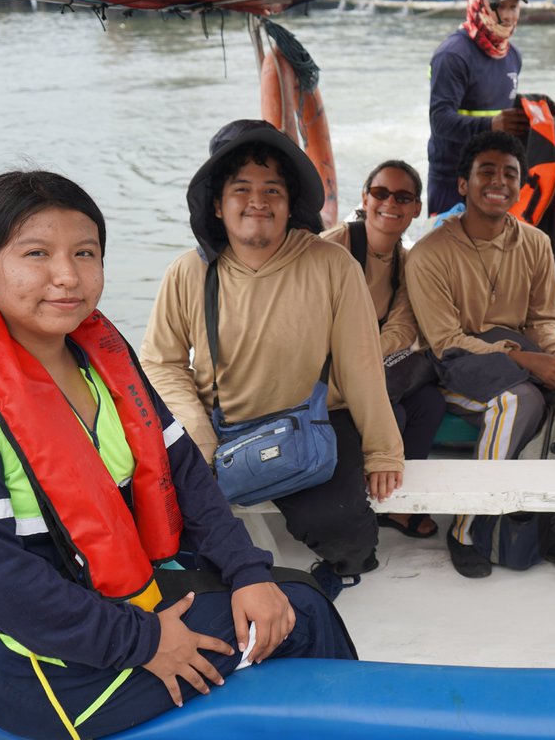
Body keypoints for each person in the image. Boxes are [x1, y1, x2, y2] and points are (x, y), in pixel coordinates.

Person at [0, 171, 355, 740]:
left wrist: (247, 573)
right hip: (45, 667)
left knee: (284, 596)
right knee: (305, 613)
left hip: (128, 600)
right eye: (36, 253)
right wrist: (145, 642)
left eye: (85, 253)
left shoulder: (99, 360)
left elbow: (186, 478)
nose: (67, 277)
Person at [141, 119, 404, 593]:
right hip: (218, 432)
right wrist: (197, 433)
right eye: (240, 188)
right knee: (162, 526)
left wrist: (384, 450)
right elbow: (161, 362)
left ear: (290, 204)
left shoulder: (332, 266)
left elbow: (360, 365)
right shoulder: (187, 272)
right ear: (217, 205)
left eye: (272, 190)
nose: (257, 201)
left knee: (349, 539)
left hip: (315, 420)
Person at [406, 130, 555, 579]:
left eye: (510, 174)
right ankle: (467, 526)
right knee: (521, 399)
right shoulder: (429, 254)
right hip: (456, 366)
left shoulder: (535, 243)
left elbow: (543, 320)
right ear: (463, 184)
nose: (499, 181)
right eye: (487, 171)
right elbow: (445, 340)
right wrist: (524, 359)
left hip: (523, 357)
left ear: (520, 185)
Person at [321, 160, 445, 539]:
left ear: (416, 209)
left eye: (403, 197)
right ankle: (366, 501)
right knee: (393, 411)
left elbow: (403, 325)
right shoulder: (329, 249)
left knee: (429, 403)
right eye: (381, 193)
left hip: (370, 363)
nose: (390, 203)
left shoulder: (407, 263)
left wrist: (367, 355)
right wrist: (355, 358)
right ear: (365, 197)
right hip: (327, 370)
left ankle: (398, 501)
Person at [427, 0, 530, 217]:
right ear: (481, 6)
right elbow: (440, 120)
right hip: (452, 180)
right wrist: (491, 125)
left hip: (495, 179)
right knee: (450, 252)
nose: (507, 16)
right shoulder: (452, 55)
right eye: (501, 6)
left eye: (513, 7)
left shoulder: (513, 56)